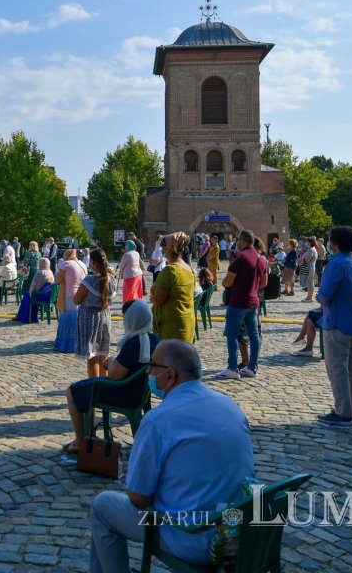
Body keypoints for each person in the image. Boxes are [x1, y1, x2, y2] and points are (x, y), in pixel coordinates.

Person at [87, 340, 254, 572]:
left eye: (151, 366)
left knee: (102, 506)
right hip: (237, 526)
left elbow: (138, 497)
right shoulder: (230, 406)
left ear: (171, 375)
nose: (147, 373)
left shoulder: (159, 420)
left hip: (193, 537)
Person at [62, 299, 158, 454]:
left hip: (124, 392)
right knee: (85, 388)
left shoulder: (134, 343)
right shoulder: (154, 339)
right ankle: (88, 435)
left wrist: (110, 363)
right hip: (141, 393)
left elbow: (114, 376)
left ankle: (81, 440)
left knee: (73, 391)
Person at [314, 226, 352, 427]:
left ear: (334, 243)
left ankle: (343, 412)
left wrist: (320, 299)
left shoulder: (335, 264)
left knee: (337, 369)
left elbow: (325, 295)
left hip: (337, 322)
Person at [216, 230, 267, 380]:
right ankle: (252, 367)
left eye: (238, 240)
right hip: (253, 302)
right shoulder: (261, 258)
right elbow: (264, 283)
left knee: (232, 334)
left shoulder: (240, 257)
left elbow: (228, 281)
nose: (237, 242)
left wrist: (226, 282)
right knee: (254, 335)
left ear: (243, 241)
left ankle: (232, 367)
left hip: (238, 302)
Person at [75, 248, 117, 379]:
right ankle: (104, 386)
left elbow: (76, 300)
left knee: (92, 357)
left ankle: (93, 386)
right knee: (103, 355)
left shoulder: (89, 280)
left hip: (89, 318)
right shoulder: (111, 280)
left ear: (92, 262)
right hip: (105, 316)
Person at [150, 233, 196, 344]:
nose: (163, 249)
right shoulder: (188, 268)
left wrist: (152, 298)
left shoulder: (170, 270)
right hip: (186, 321)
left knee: (168, 359)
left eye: (164, 246)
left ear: (169, 248)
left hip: (171, 325)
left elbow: (158, 300)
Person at [54, 248, 86, 353]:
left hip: (69, 295)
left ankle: (67, 344)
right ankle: (80, 343)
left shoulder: (66, 264)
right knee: (78, 319)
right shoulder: (82, 264)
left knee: (68, 319)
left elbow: (58, 280)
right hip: (81, 295)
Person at [299, 237, 319, 302]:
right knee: (309, 282)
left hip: (309, 267)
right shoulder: (311, 249)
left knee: (310, 282)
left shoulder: (311, 250)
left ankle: (309, 298)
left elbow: (307, 260)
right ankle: (308, 297)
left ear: (310, 243)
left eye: (307, 242)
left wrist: (300, 261)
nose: (306, 243)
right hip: (310, 267)